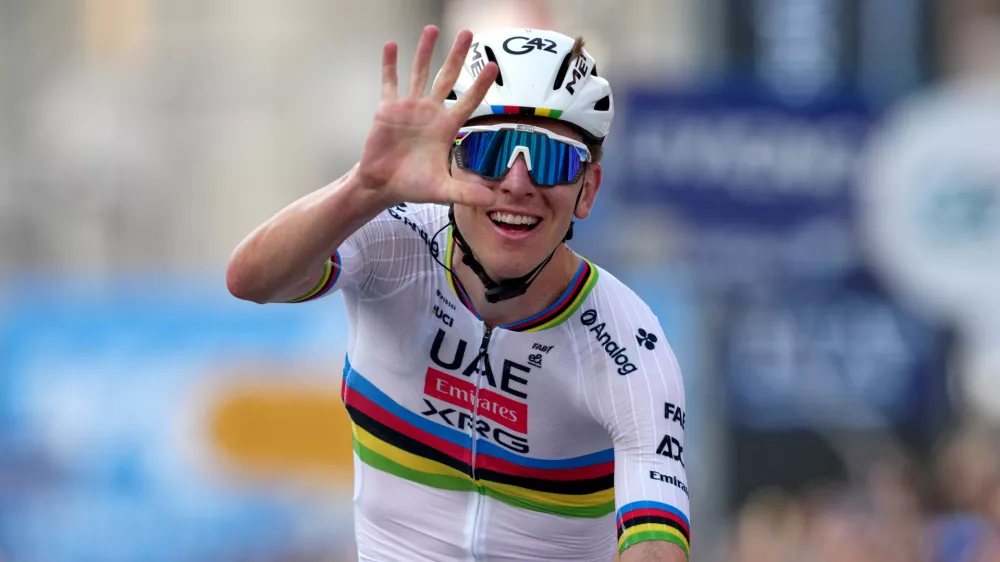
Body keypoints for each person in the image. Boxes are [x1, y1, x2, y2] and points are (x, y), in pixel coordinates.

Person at [226, 24, 690, 562]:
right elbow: (250, 281)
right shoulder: (394, 240)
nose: (518, 183)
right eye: (491, 151)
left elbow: (656, 546)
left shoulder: (628, 348)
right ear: (449, 159)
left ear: (587, 190)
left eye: (551, 158)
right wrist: (363, 189)